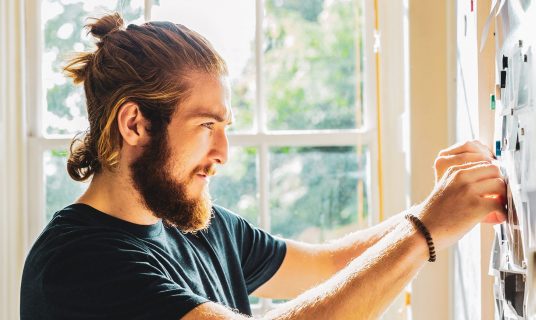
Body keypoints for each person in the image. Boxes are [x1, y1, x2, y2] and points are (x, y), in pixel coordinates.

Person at [20, 13, 506, 319]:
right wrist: (425, 229)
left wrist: (443, 206)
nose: (223, 153)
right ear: (135, 124)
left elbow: (327, 266)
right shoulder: (76, 266)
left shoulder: (194, 222)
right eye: (207, 125)